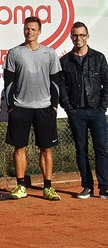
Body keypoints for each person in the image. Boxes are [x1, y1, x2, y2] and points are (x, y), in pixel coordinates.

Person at [3, 16, 62, 201]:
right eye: (27, 29)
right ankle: (21, 186)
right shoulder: (14, 53)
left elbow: (56, 82)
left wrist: (53, 105)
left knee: (46, 149)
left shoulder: (50, 53)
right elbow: (9, 82)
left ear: (40, 31)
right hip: (21, 107)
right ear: (23, 30)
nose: (30, 32)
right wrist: (11, 107)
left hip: (44, 107)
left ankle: (48, 187)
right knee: (19, 147)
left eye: (33, 29)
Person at [58, 21, 108, 199]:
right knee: (81, 149)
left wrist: (102, 107)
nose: (78, 38)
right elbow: (61, 88)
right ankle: (87, 186)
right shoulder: (65, 61)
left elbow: (106, 83)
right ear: (71, 37)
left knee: (101, 149)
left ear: (87, 36)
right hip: (76, 113)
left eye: (81, 35)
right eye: (75, 35)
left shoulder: (98, 58)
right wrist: (69, 108)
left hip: (96, 111)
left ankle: (104, 187)